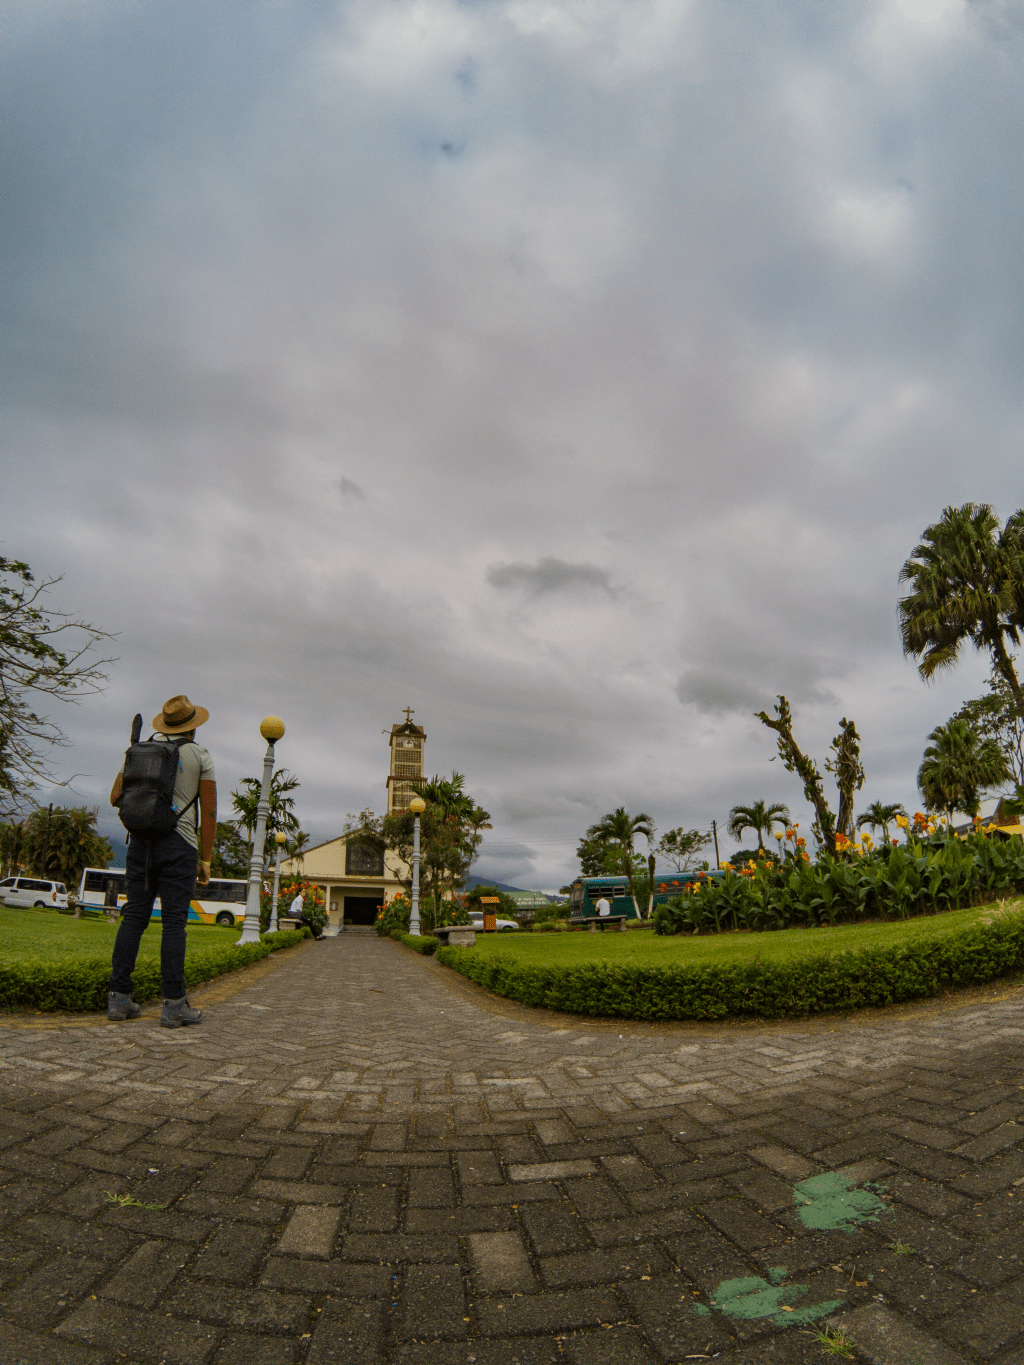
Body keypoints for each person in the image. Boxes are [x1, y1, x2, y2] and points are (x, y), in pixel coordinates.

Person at [107, 695, 217, 1028]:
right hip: (179, 845)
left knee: (134, 918)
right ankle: (173, 1005)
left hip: (141, 844)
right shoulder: (201, 756)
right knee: (173, 924)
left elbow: (115, 797)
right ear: (193, 728)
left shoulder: (140, 750)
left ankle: (119, 999)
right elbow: (209, 812)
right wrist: (206, 859)